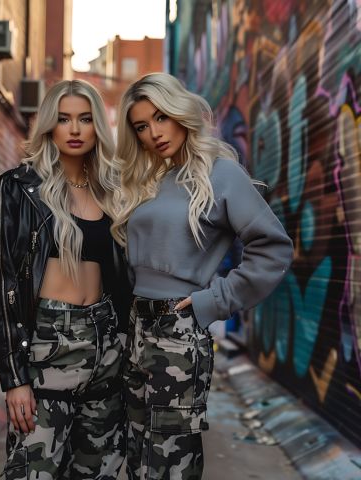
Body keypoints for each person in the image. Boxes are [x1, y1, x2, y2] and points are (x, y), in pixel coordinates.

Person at [111, 72, 294, 479]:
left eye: (161, 117)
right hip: (136, 328)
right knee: (138, 453)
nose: (154, 132)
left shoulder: (221, 174)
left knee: (170, 461)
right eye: (142, 126)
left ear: (181, 113)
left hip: (178, 329)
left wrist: (214, 301)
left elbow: (274, 249)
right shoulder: (149, 180)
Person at [0, 79, 131, 480]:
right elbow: (2, 285)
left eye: (85, 119)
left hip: (105, 347)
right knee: (34, 470)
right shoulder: (18, 189)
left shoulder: (113, 192)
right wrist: (14, 379)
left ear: (98, 125)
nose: (75, 129)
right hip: (48, 345)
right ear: (49, 125)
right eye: (64, 119)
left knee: (99, 471)